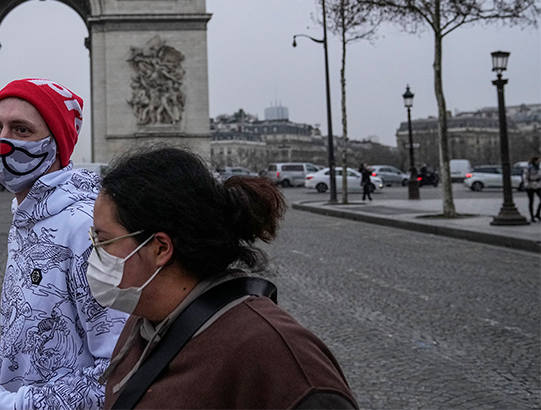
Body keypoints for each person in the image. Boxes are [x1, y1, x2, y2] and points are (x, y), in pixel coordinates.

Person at [90, 146, 357, 409]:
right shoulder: (143, 320)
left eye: (103, 240)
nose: (93, 251)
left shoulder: (278, 360)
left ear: (160, 247)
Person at [0, 78, 127, 410]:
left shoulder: (85, 228)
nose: (3, 142)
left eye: (22, 130)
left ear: (56, 143)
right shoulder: (27, 217)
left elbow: (119, 372)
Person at [523, 156, 541, 222]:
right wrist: (526, 184)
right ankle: (532, 216)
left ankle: (537, 214)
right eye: (538, 160)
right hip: (530, 185)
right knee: (531, 201)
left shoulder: (538, 168)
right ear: (535, 161)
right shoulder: (529, 168)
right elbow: (525, 177)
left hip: (538, 185)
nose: (539, 162)